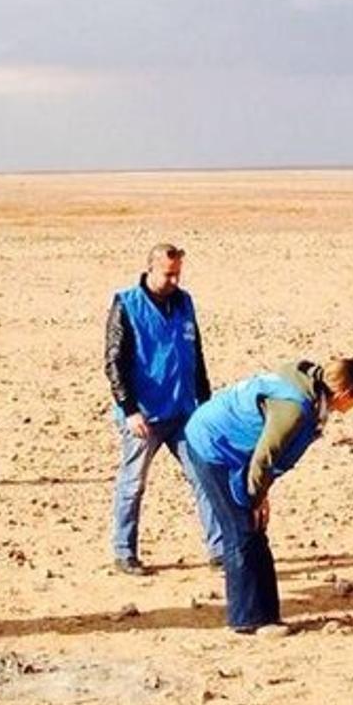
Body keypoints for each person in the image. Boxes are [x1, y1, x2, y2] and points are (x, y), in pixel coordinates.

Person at [184, 358, 353, 634]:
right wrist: (256, 496)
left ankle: (266, 615)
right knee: (242, 531)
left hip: (234, 452)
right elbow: (264, 457)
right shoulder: (295, 408)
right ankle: (246, 620)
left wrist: (261, 492)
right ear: (346, 394)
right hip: (214, 448)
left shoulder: (308, 393)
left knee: (255, 530)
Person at [104, 243, 222, 576]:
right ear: (151, 269)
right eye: (168, 274)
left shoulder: (184, 302)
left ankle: (218, 550)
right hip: (144, 416)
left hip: (184, 411)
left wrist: (205, 404)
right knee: (133, 483)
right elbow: (114, 361)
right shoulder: (126, 304)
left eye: (178, 274)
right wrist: (130, 409)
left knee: (203, 476)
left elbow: (195, 354)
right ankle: (124, 551)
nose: (174, 281)